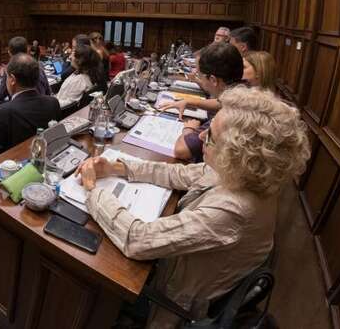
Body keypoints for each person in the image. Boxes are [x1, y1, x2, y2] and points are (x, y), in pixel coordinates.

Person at [77, 86, 310, 328]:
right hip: (179, 272)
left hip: (173, 309)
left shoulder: (235, 210)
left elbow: (136, 239)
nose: (200, 137)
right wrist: (118, 168)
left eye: (210, 136)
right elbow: (180, 173)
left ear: (238, 153)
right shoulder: (246, 172)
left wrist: (92, 189)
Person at [0, 53, 61, 170]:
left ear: (12, 80)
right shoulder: (53, 103)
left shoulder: (3, 112)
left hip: (8, 167)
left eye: (6, 77)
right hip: (36, 160)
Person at [159, 42, 244, 162]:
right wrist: (189, 102)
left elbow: (181, 150)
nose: (199, 79)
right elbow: (220, 102)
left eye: (200, 75)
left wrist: (189, 129)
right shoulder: (242, 92)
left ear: (213, 80)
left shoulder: (230, 114)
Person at [0, 36, 52, 101]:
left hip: (19, 107)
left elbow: (0, 94)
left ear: (9, 52)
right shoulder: (38, 66)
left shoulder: (10, 69)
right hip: (42, 105)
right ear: (27, 50)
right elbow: (48, 92)